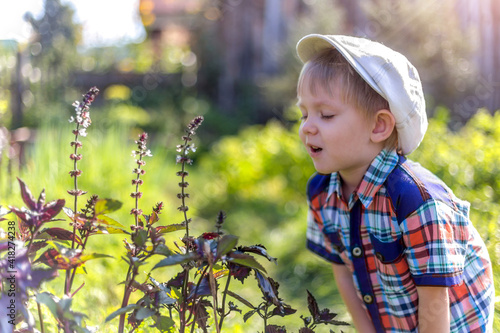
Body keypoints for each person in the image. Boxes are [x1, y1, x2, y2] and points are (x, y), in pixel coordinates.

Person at [295, 34, 494, 333]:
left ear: (378, 125)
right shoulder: (321, 192)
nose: (307, 127)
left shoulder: (416, 200)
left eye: (325, 115)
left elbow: (436, 301)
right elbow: (343, 273)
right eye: (304, 114)